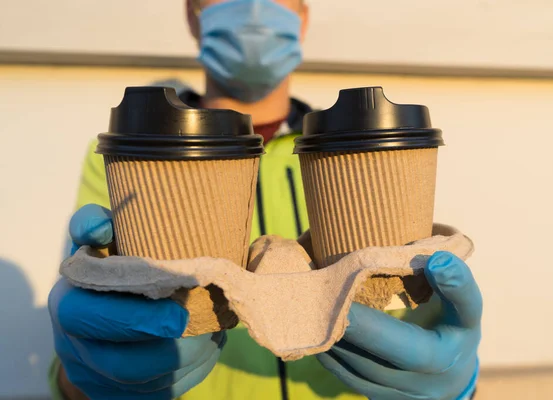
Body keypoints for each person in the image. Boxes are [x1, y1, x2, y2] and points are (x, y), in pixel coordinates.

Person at [48, 0, 483, 399]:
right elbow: (84, 356)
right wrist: (86, 374)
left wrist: (456, 387)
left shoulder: (342, 149)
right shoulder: (122, 154)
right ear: (192, 14)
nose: (254, 10)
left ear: (303, 17)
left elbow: (427, 333)